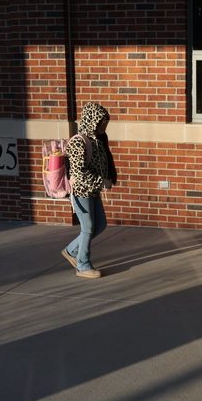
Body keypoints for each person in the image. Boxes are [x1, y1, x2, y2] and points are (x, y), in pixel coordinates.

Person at [62, 102, 118, 278]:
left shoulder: (98, 140)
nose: (104, 126)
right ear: (91, 120)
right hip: (80, 191)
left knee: (100, 225)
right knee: (88, 227)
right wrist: (102, 182)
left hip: (93, 191)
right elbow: (79, 173)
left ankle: (71, 251)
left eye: (105, 123)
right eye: (101, 122)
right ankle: (83, 266)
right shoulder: (78, 142)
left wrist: (106, 180)